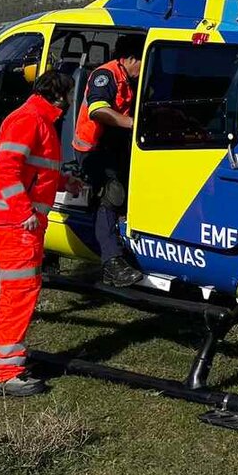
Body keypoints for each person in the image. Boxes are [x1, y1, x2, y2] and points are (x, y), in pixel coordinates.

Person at [0, 70, 76, 397]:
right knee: (18, 295)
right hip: (15, 224)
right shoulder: (30, 119)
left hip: (18, 223)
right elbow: (7, 169)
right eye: (71, 93)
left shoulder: (40, 121)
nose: (73, 101)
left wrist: (65, 184)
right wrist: (25, 214)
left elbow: (37, 172)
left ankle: (9, 364)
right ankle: (5, 373)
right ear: (60, 94)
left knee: (21, 293)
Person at [73, 34, 145, 287]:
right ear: (130, 59)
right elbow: (98, 110)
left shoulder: (131, 78)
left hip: (113, 147)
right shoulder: (106, 75)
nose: (143, 68)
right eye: (142, 62)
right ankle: (112, 262)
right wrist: (133, 124)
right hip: (91, 149)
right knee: (112, 194)